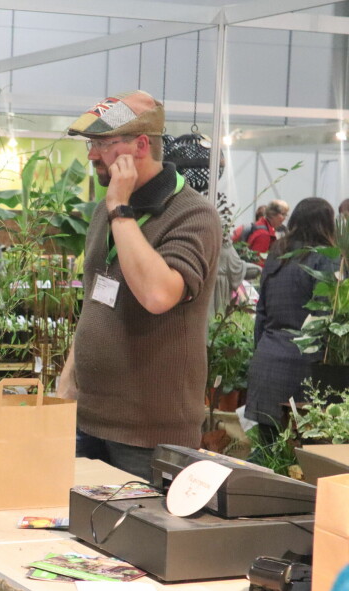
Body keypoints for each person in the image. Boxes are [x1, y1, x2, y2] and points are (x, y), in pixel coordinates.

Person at [56, 90, 221, 479]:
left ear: (141, 145)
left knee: (134, 536)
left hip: (147, 435)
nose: (92, 155)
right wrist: (67, 382)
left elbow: (158, 294)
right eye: (90, 144)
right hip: (88, 419)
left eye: (102, 144)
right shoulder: (108, 210)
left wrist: (122, 211)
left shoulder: (192, 214)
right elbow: (96, 302)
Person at [245, 198, 337, 443]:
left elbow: (261, 313)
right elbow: (322, 316)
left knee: (268, 453)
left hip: (267, 360)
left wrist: (262, 349)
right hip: (304, 369)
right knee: (301, 460)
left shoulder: (277, 254)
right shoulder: (326, 258)